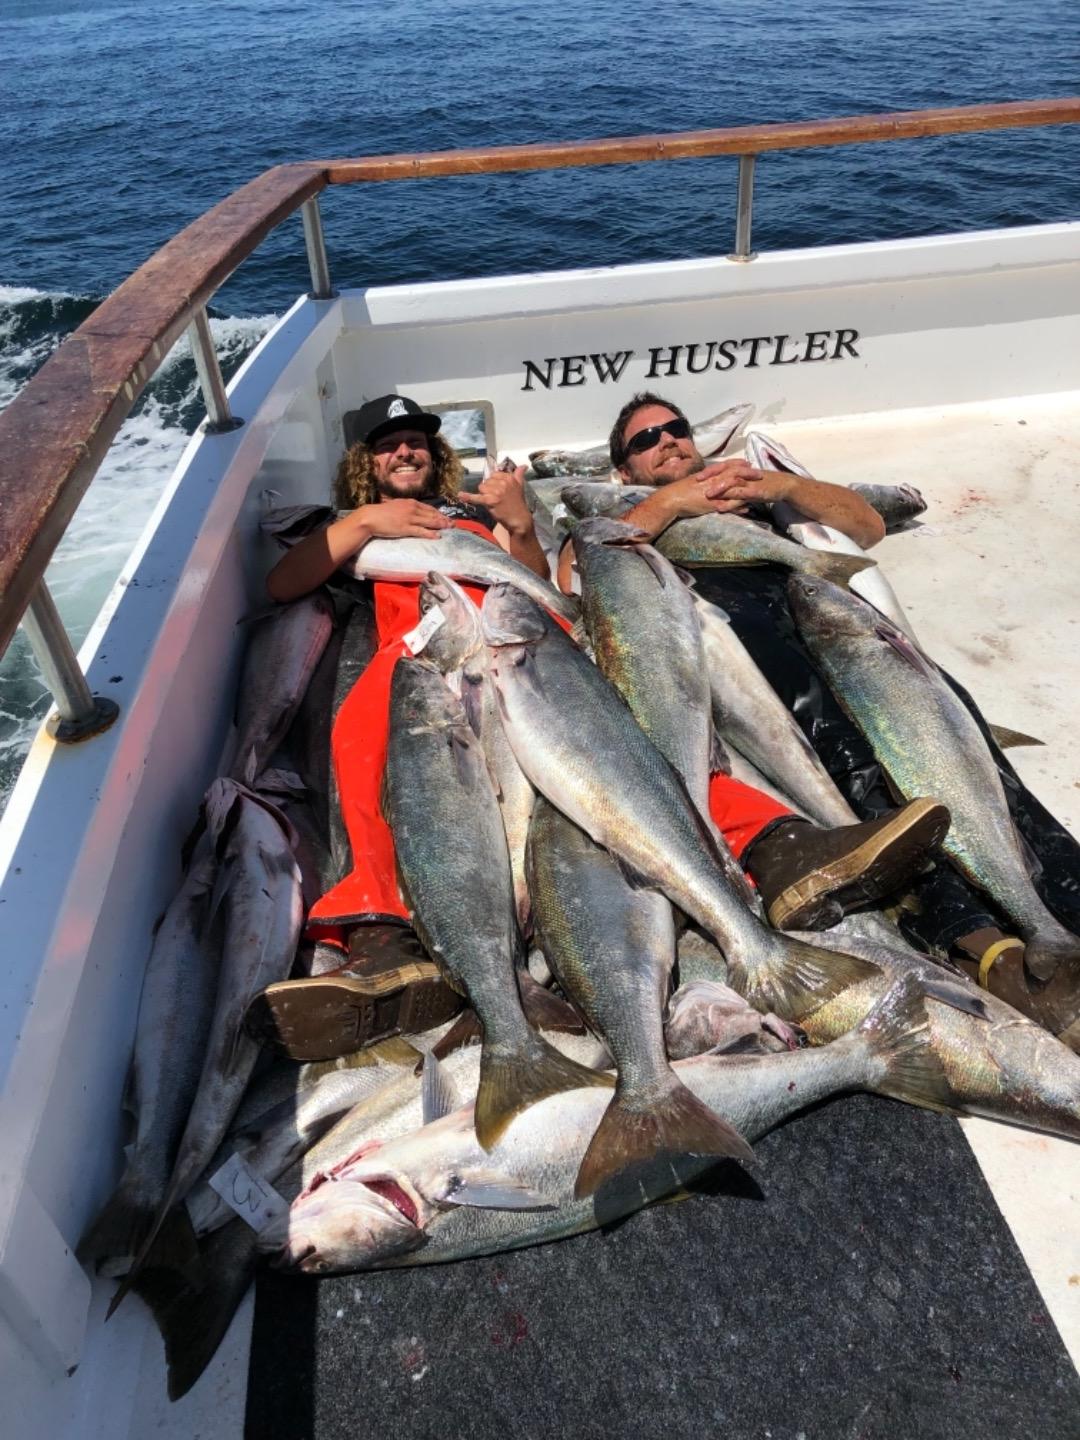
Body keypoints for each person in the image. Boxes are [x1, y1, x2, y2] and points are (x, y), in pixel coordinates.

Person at [573, 391, 1080, 1019]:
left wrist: (777, 485)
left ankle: (1067, 899)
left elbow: (863, 525)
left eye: (674, 429)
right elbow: (580, 567)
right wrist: (670, 504)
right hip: (743, 632)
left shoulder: (752, 492)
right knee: (862, 783)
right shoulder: (630, 510)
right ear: (623, 470)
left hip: (836, 618)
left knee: (979, 770)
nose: (667, 441)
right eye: (644, 441)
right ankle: (990, 952)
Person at [246, 394, 550, 1060]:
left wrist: (521, 526)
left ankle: (547, 919)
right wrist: (364, 525)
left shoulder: (473, 510)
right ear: (364, 462)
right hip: (416, 650)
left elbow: (536, 589)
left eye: (415, 440)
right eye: (387, 444)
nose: (404, 450)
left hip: (500, 642)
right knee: (358, 733)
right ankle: (382, 933)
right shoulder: (350, 522)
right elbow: (282, 584)